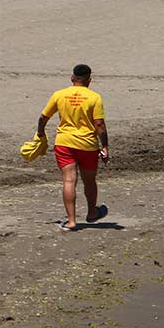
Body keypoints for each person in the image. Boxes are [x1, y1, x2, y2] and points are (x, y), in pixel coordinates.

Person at [37, 64, 108, 232]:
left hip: (64, 143)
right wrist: (105, 146)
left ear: (72, 78)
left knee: (69, 180)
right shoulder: (94, 97)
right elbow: (99, 124)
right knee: (89, 180)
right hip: (87, 144)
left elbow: (43, 117)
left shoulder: (59, 95)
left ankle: (71, 221)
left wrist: (40, 132)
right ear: (89, 80)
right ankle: (92, 213)